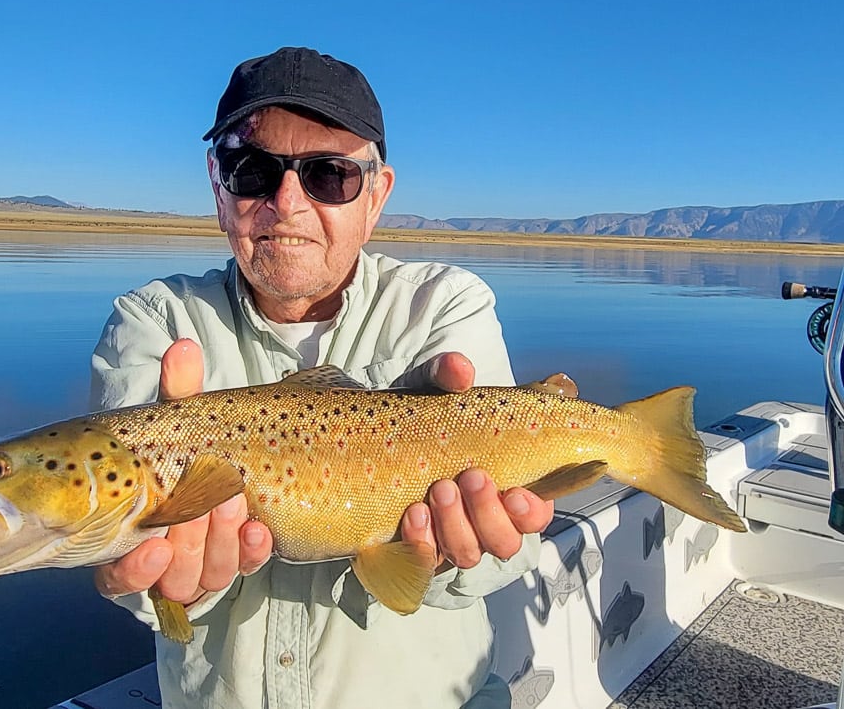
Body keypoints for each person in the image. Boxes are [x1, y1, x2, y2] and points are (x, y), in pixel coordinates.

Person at [89, 47, 554, 709]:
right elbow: (128, 560)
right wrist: (155, 578)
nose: (286, 203)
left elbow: (502, 555)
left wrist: (452, 557)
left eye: (329, 176)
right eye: (252, 170)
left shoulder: (446, 305)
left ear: (378, 196)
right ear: (217, 185)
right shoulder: (153, 322)